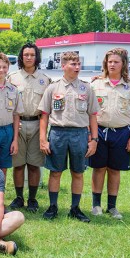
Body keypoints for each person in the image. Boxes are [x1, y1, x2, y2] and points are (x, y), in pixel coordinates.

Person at [38, 51, 99, 222]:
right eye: (73, 64)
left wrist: (94, 140)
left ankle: (75, 208)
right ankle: (52, 206)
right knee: (55, 172)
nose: (77, 67)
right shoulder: (53, 88)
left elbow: (93, 115)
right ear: (63, 66)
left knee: (78, 172)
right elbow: (44, 115)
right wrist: (43, 139)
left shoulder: (86, 88)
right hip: (58, 133)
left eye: (78, 64)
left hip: (79, 134)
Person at [89, 48, 130, 219]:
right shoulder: (95, 84)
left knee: (114, 170)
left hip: (121, 133)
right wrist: (91, 136)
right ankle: (96, 205)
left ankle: (112, 207)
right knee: (99, 168)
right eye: (110, 61)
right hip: (99, 131)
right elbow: (89, 111)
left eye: (116, 62)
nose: (112, 64)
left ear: (123, 64)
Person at [7, 43, 51, 212]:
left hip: (37, 123)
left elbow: (47, 107)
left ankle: (32, 199)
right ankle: (19, 198)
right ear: (21, 57)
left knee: (34, 164)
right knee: (18, 164)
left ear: (37, 57)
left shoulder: (44, 79)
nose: (29, 57)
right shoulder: (12, 78)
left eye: (32, 55)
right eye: (26, 54)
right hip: (17, 123)